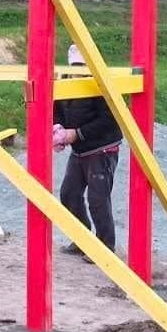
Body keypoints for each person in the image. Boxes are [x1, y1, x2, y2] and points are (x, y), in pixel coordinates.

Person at [53, 44, 122, 258]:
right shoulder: (64, 80)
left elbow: (109, 120)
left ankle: (104, 247)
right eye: (75, 66)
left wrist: (77, 134)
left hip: (102, 149)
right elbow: (57, 108)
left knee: (98, 199)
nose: (78, 70)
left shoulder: (100, 84)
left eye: (81, 66)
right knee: (69, 194)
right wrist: (58, 129)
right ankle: (82, 240)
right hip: (80, 151)